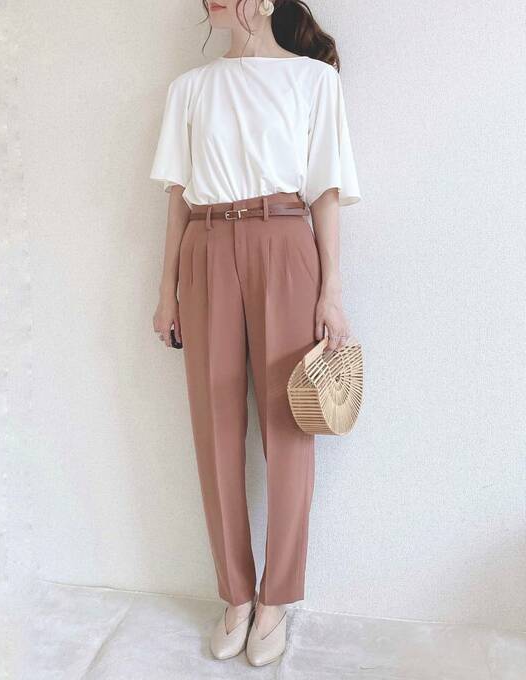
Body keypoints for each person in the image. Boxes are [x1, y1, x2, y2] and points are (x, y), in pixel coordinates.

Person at [149, 0, 361, 667]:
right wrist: (165, 290)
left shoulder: (313, 80)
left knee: (289, 426)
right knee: (214, 427)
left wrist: (331, 291)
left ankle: (276, 598)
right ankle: (236, 594)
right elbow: (176, 199)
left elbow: (326, 190)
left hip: (285, 240)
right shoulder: (189, 88)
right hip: (206, 246)